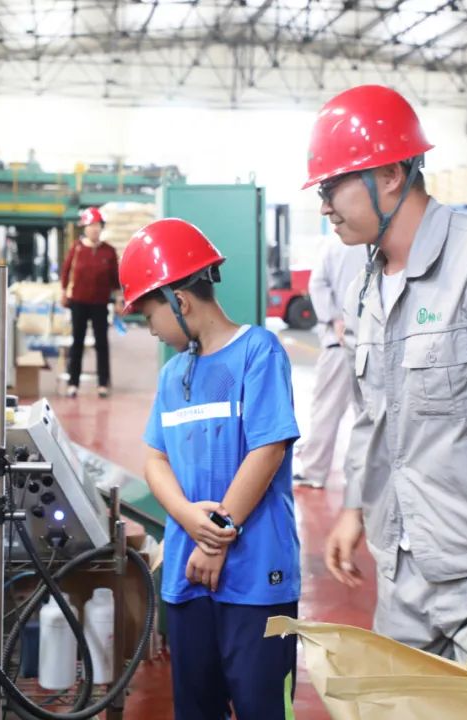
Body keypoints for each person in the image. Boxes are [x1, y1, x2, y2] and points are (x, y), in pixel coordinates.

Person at [308, 85, 467, 660]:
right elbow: (371, 419)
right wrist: (354, 508)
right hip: (402, 567)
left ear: (391, 174)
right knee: (405, 700)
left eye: (332, 187)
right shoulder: (365, 288)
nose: (324, 206)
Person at [119, 218, 301, 720]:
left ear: (179, 301)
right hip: (188, 573)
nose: (151, 328)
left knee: (263, 707)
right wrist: (188, 518)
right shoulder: (173, 374)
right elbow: (155, 458)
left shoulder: (258, 352)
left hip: (256, 577)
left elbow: (268, 449)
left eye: (150, 314)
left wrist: (216, 535)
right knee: (197, 707)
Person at [292, 239, 368, 489]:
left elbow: (317, 283)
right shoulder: (375, 243)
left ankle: (314, 470)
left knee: (327, 407)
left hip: (339, 341)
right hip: (373, 341)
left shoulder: (334, 247)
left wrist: (334, 317)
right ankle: (364, 476)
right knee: (367, 412)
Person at [60, 207, 121, 398]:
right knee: (77, 342)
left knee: (101, 343)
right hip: (78, 303)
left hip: (100, 304)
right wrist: (63, 292)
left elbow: (115, 280)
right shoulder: (76, 249)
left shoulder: (109, 251)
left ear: (102, 227)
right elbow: (66, 272)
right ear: (84, 228)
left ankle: (103, 383)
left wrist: (119, 300)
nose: (94, 229)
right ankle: (73, 383)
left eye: (97, 225)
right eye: (91, 225)